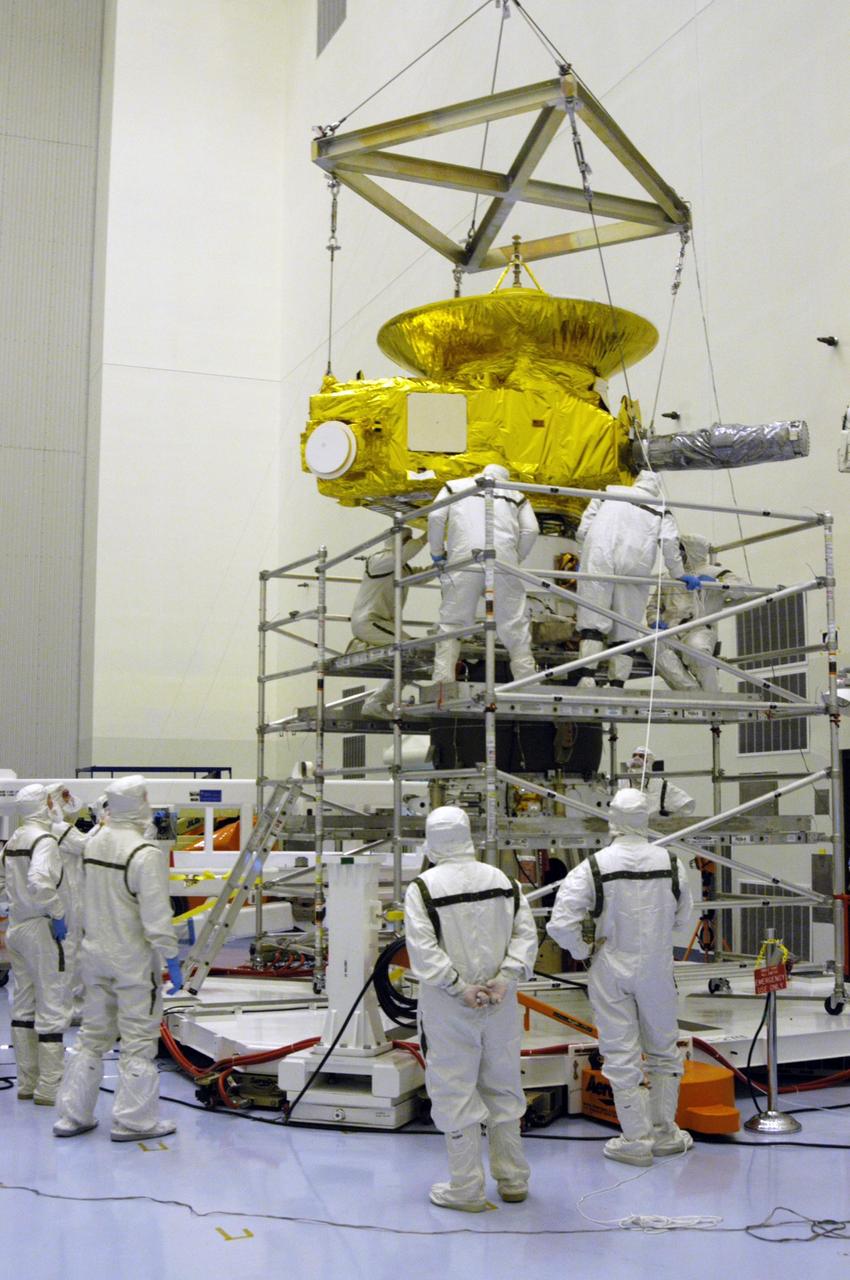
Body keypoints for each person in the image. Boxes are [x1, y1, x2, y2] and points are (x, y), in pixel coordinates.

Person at [547, 788, 694, 1166]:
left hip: (610, 966)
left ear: (612, 819)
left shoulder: (594, 866)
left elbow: (560, 924)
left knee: (620, 1053)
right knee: (664, 1050)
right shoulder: (673, 864)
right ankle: (665, 1134)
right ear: (646, 818)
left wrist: (583, 951)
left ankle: (635, 1139)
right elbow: (684, 920)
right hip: (658, 968)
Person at [404, 805, 539, 1211]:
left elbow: (423, 950)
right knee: (503, 1084)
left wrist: (458, 987)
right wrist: (505, 977)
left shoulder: (424, 888)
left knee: (454, 1087)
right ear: (469, 836)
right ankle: (513, 1179)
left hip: (450, 1006)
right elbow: (525, 933)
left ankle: (466, 1188)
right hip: (500, 1001)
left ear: (431, 841)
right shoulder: (503, 881)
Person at [53, 774, 183, 1142]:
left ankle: (73, 1115)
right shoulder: (144, 854)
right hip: (132, 963)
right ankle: (134, 1121)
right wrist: (172, 961)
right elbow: (156, 919)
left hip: (93, 956)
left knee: (92, 1036)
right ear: (140, 802)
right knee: (139, 1040)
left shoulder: (94, 844)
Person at [575, 470, 693, 688]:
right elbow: (669, 543)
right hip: (635, 566)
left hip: (599, 558)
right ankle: (617, 684)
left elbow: (584, 528)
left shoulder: (608, 493)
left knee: (593, 620)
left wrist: (584, 552)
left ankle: (587, 676)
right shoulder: (661, 508)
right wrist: (679, 574)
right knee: (626, 626)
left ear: (636, 481)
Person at [428, 463, 539, 685]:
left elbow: (435, 517)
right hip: (502, 560)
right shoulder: (515, 495)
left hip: (463, 559)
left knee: (453, 621)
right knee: (513, 622)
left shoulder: (453, 486)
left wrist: (438, 554)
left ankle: (443, 682)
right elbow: (531, 529)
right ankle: (527, 682)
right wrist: (515, 558)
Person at [0, 784, 71, 1104]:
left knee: (23, 1004)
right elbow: (40, 880)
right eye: (48, 799)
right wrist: (57, 913)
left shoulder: (13, 840)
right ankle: (50, 1087)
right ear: (41, 805)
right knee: (52, 1004)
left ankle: (27, 1083)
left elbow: (4, 883)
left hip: (16, 928)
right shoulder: (43, 841)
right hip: (41, 930)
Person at [645, 533, 743, 692]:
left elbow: (744, 590)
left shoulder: (715, 572)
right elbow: (653, 607)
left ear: (691, 551)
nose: (677, 554)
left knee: (697, 650)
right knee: (650, 642)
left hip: (698, 629)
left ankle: (712, 695)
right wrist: (654, 620)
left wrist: (717, 584)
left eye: (681, 550)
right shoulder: (668, 577)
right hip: (670, 631)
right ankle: (692, 692)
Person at [350, 527, 426, 718]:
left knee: (410, 661)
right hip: (369, 621)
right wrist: (428, 536)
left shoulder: (401, 567)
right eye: (406, 539)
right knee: (411, 649)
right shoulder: (377, 561)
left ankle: (378, 701)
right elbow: (405, 554)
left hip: (382, 623)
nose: (409, 542)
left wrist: (447, 562)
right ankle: (376, 701)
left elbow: (423, 575)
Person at [46, 783, 89, 1022]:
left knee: (67, 953)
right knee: (70, 952)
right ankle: (68, 1008)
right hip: (67, 900)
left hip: (67, 897)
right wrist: (106, 827)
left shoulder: (55, 827)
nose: (69, 799)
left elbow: (74, 809)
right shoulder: (59, 829)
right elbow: (87, 846)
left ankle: (65, 1004)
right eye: (63, 797)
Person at [623, 745, 695, 818]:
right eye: (634, 755)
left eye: (641, 756)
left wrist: (668, 820)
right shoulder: (622, 782)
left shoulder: (661, 785)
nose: (636, 758)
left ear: (649, 761)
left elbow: (687, 805)